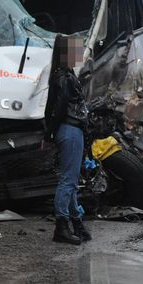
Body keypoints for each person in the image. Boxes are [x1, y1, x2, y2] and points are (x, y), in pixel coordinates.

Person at [44, 34, 92, 245]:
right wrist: (50, 133)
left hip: (69, 131)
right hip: (70, 131)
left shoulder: (62, 75)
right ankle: (61, 227)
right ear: (66, 53)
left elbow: (50, 108)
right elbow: (60, 108)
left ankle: (75, 223)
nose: (79, 54)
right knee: (68, 181)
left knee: (70, 181)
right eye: (76, 50)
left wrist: (49, 133)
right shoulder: (65, 77)